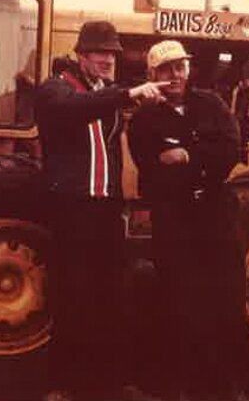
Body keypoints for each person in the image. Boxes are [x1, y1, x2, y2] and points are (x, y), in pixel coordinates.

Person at [35, 21, 168, 401]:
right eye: (99, 53)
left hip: (105, 208)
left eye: (112, 54)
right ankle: (63, 385)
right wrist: (127, 94)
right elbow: (71, 109)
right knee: (73, 295)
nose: (108, 60)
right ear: (80, 55)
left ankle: (109, 383)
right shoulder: (56, 89)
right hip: (72, 207)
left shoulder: (106, 94)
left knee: (110, 295)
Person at [127, 40, 249, 401]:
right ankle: (179, 386)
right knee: (179, 300)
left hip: (216, 215)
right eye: (166, 69)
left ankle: (229, 387)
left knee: (227, 298)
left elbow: (231, 150)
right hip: (175, 219)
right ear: (152, 75)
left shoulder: (211, 103)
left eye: (180, 67)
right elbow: (152, 170)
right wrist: (204, 160)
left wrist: (186, 155)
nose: (175, 75)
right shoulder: (144, 120)